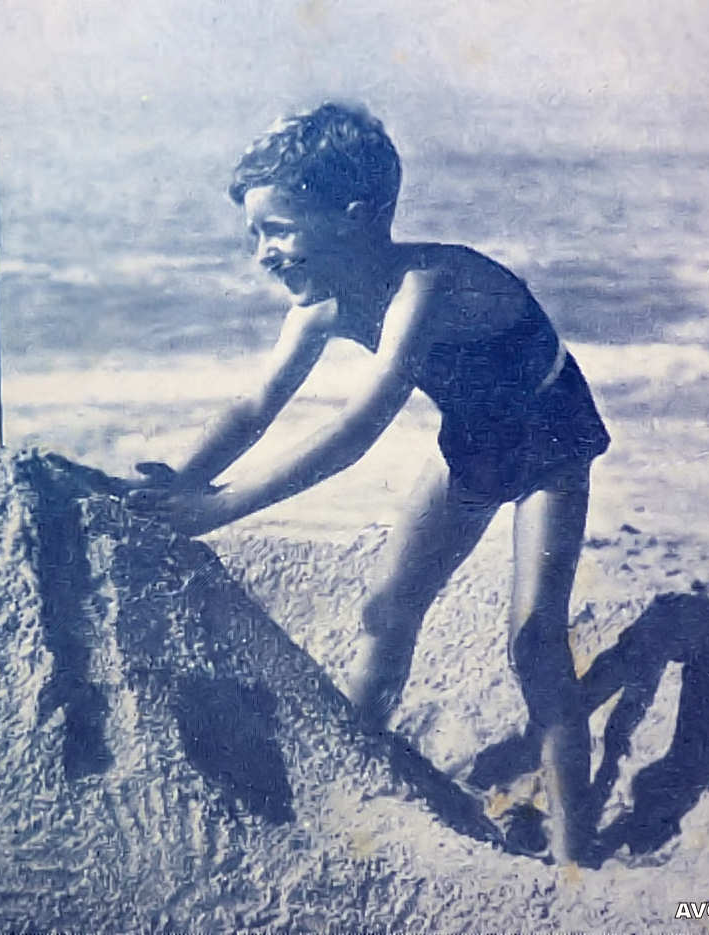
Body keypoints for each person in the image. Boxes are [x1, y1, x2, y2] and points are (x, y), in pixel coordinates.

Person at [127, 102, 610, 866]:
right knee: (386, 611)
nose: (261, 253)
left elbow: (359, 428)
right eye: (253, 234)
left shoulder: (425, 284)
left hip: (550, 438)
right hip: (473, 442)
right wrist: (184, 480)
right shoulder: (320, 309)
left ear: (354, 219)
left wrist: (218, 509)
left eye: (277, 230)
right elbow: (254, 406)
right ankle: (346, 784)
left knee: (534, 638)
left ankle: (576, 859)